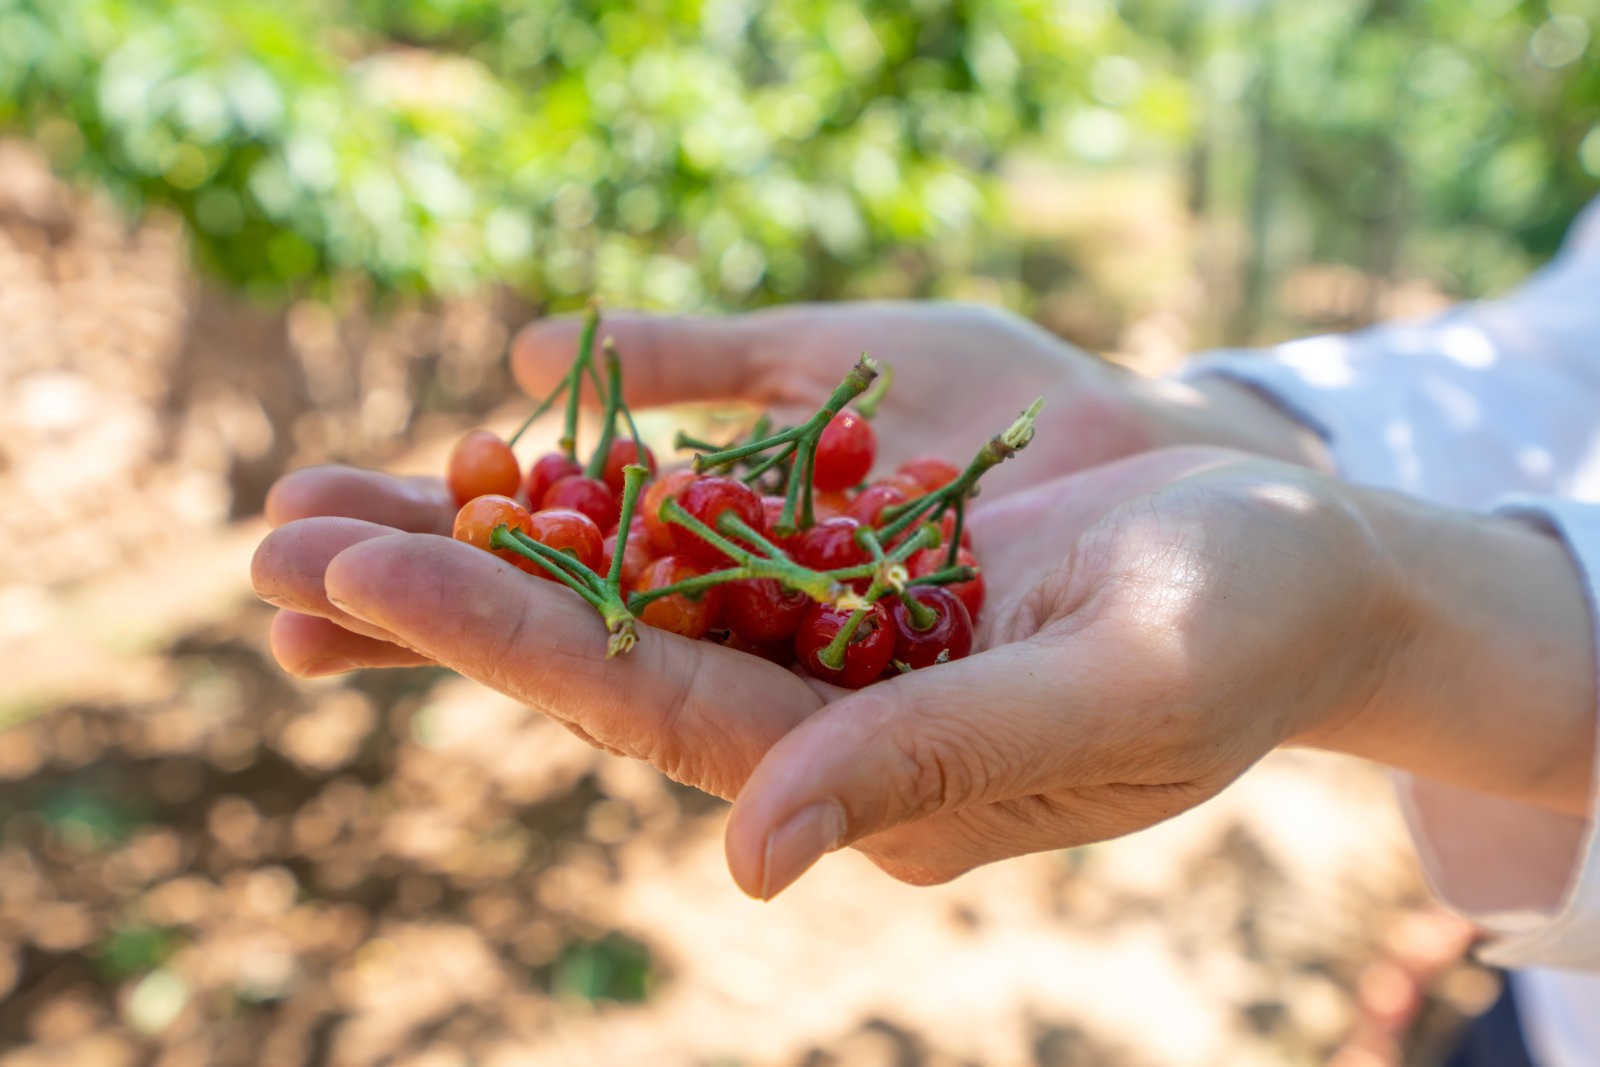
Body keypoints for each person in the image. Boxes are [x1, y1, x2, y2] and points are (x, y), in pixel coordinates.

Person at [252, 195, 1600, 1065]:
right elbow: (1561, 353)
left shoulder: (830, 541)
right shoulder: (735, 523)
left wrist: (1389, 612)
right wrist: (1223, 432)